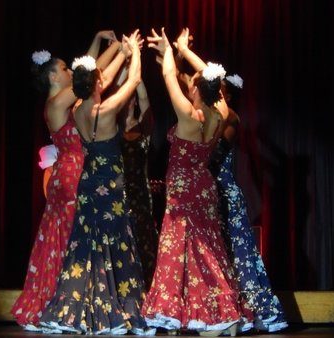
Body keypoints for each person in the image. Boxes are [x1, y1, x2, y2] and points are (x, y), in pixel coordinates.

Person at [39, 30, 154, 335]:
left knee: (86, 247)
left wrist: (119, 52)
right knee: (116, 245)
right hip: (111, 189)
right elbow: (132, 82)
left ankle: (73, 309)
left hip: (88, 185)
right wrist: (133, 54)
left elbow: (91, 79)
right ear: (97, 85)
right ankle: (122, 310)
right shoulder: (105, 111)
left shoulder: (77, 112)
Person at [11, 30, 128, 331]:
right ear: (52, 77)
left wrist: (111, 47)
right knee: (69, 240)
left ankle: (66, 303)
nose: (69, 72)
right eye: (63, 69)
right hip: (71, 174)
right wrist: (116, 51)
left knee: (62, 239)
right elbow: (86, 75)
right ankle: (59, 305)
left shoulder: (63, 100)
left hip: (70, 173)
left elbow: (85, 72)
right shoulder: (58, 102)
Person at [141, 28, 244, 336]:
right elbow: (209, 77)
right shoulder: (221, 112)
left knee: (180, 252)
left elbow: (171, 78)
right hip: (204, 188)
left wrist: (170, 54)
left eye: (194, 83)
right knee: (209, 250)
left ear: (198, 89)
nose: (189, 83)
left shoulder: (188, 115)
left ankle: (204, 318)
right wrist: (184, 51)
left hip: (184, 194)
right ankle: (222, 314)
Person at [208, 74, 288, 333]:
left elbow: (212, 148)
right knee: (221, 256)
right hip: (210, 194)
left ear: (228, 96)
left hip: (227, 195)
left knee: (241, 255)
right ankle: (231, 311)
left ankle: (258, 310)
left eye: (220, 91)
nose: (216, 94)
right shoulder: (211, 115)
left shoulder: (230, 116)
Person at [119, 80, 158, 290]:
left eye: (131, 96)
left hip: (140, 194)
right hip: (117, 193)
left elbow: (145, 100)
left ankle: (146, 289)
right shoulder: (111, 128)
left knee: (142, 238)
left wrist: (136, 77)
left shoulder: (143, 128)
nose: (130, 100)